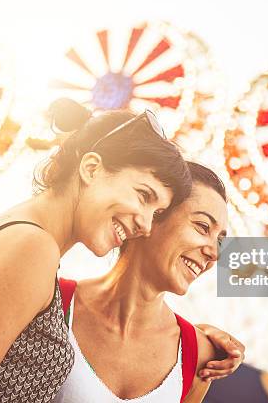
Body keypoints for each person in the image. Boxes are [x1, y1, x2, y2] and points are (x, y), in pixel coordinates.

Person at [0, 101, 244, 402]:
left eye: (154, 210)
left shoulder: (22, 245)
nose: (145, 223)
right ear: (91, 168)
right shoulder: (31, 250)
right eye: (144, 196)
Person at [54, 161, 234, 402]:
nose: (214, 253)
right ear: (154, 215)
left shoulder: (199, 356)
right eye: (202, 227)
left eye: (220, 241)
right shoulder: (49, 301)